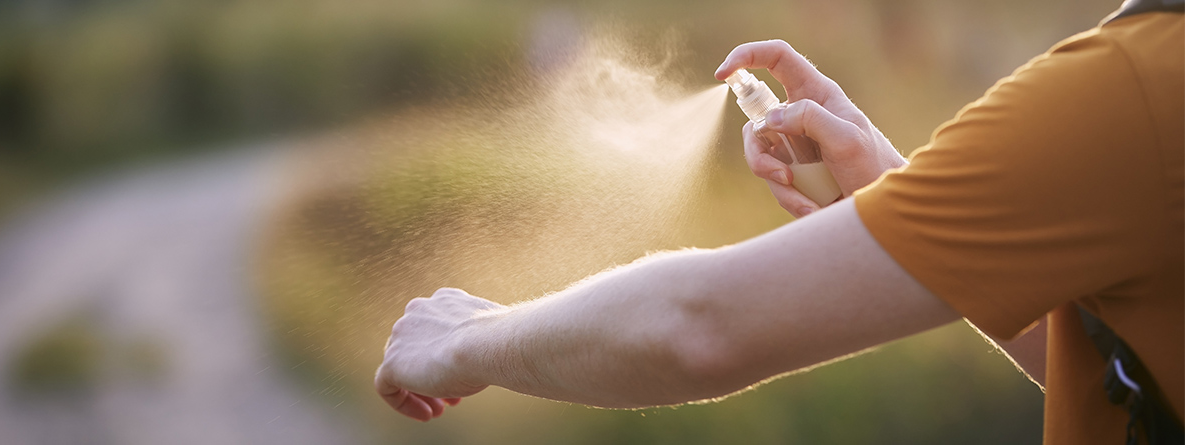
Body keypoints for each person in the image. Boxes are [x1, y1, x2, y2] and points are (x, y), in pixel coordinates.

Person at [374, 2, 1183, 443]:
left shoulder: (1133, 87)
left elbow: (699, 327)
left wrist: (469, 336)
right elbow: (1109, 357)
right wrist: (888, 195)